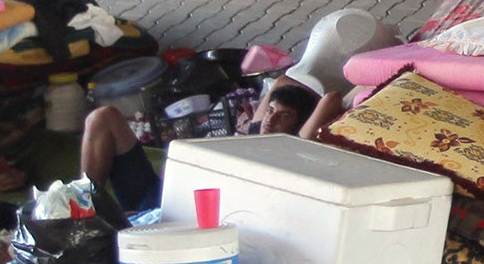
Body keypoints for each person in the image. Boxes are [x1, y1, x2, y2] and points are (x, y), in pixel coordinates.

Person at [80, 80, 320, 219]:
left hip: (177, 214)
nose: (271, 119)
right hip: (161, 190)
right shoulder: (258, 127)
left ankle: (112, 219)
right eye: (271, 110)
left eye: (284, 116)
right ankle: (80, 205)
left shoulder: (290, 150)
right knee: (103, 116)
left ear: (298, 125)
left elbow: (330, 98)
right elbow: (280, 81)